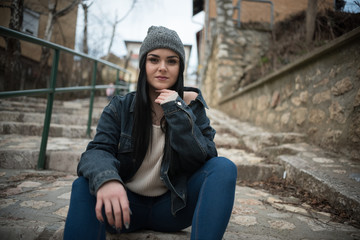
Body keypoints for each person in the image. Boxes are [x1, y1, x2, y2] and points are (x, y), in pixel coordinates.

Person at [63, 26, 237, 240]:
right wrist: (108, 180)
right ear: (143, 64)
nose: (162, 68)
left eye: (171, 61)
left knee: (224, 167)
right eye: (154, 60)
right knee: (84, 184)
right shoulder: (119, 107)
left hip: (173, 209)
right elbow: (96, 152)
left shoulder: (191, 108)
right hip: (124, 209)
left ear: (180, 67)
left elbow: (206, 159)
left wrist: (179, 113)